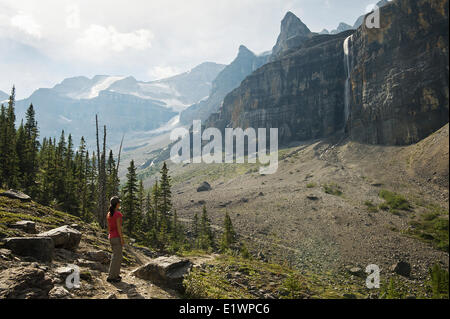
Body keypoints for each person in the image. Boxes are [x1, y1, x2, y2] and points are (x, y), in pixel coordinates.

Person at [106, 196, 124, 283]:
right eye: (119, 203)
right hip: (117, 237)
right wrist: (122, 239)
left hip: (111, 237)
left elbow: (109, 228)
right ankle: (111, 277)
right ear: (116, 204)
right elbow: (119, 228)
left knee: (115, 256)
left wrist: (110, 235)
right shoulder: (118, 214)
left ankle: (115, 275)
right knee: (118, 257)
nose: (119, 204)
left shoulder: (109, 214)